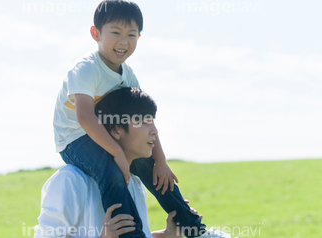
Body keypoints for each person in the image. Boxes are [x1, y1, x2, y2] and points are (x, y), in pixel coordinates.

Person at [54, 1, 207, 237]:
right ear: (96, 34)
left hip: (108, 134)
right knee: (111, 170)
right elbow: (84, 117)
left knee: (155, 170)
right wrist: (116, 152)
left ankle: (195, 229)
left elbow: (144, 118)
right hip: (75, 138)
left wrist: (161, 160)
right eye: (115, 32)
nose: (124, 41)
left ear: (139, 37)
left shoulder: (128, 75)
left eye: (131, 34)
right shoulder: (86, 69)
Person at [38, 88, 234, 238]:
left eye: (153, 121)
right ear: (115, 130)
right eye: (144, 121)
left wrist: (166, 235)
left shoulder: (135, 183)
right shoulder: (70, 181)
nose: (154, 131)